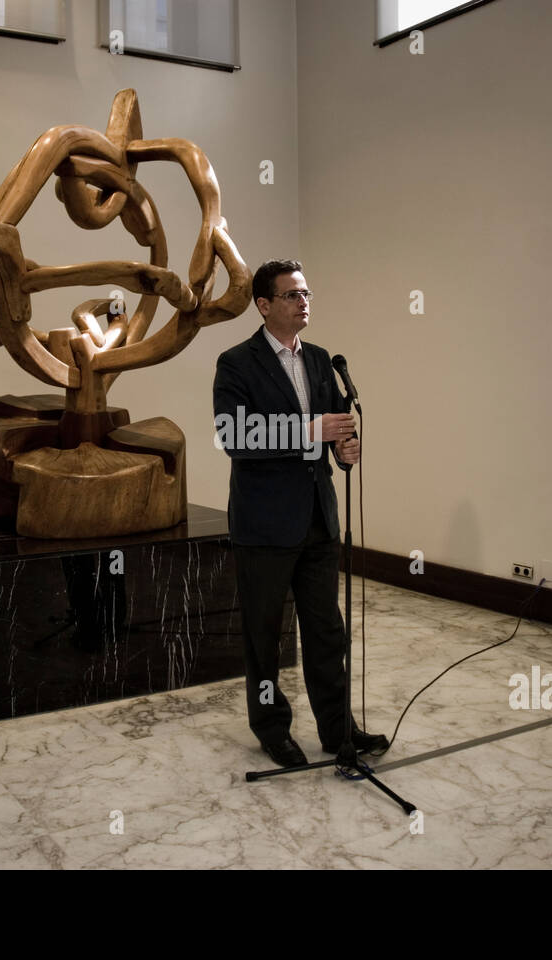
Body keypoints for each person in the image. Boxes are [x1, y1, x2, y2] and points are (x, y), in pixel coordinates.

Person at [212, 259, 389, 768]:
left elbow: (336, 427)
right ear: (264, 305)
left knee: (326, 631)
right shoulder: (236, 363)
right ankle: (272, 728)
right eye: (291, 295)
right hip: (264, 524)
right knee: (265, 636)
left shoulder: (318, 360)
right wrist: (312, 432)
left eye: (306, 293)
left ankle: (338, 732)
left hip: (317, 519)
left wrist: (345, 449)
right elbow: (235, 436)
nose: (303, 302)